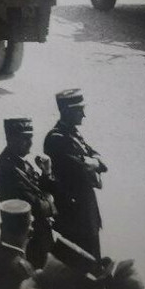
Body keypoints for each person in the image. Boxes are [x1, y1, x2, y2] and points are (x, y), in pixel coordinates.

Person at [43, 88, 107, 258]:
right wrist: (94, 162)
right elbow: (80, 168)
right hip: (74, 210)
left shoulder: (72, 133)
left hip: (85, 205)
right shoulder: (56, 138)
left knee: (93, 253)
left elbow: (97, 158)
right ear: (66, 111)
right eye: (79, 110)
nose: (83, 115)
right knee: (81, 258)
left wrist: (94, 161)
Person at [0, 116, 56, 267]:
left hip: (38, 235)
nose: (31, 143)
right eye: (25, 138)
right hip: (26, 241)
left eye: (31, 137)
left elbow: (40, 192)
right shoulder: (7, 170)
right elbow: (37, 207)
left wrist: (46, 172)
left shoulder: (20, 162)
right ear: (11, 139)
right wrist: (50, 203)